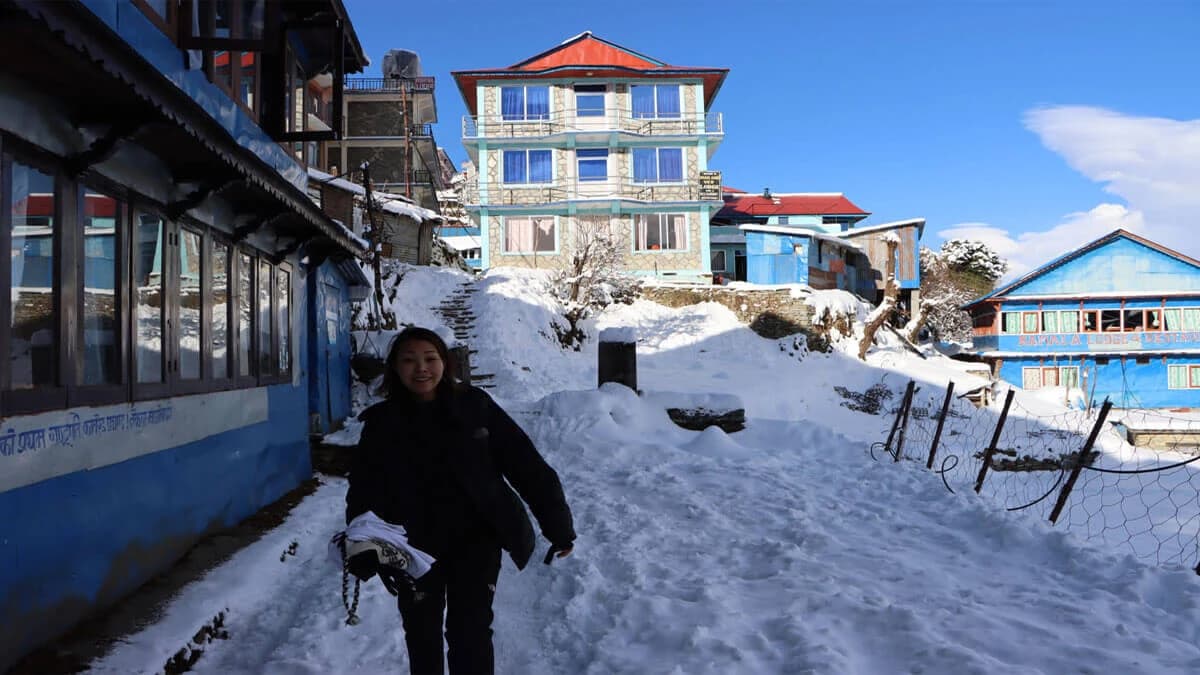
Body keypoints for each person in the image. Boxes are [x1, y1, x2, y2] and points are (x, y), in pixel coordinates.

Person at [345, 326, 576, 675]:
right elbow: (363, 488)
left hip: (476, 542)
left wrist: (558, 526)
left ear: (445, 363)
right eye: (408, 360)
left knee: (471, 633)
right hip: (412, 547)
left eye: (430, 358)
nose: (421, 368)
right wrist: (361, 544)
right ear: (394, 368)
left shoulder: (475, 406)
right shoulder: (382, 423)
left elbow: (525, 465)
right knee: (421, 634)